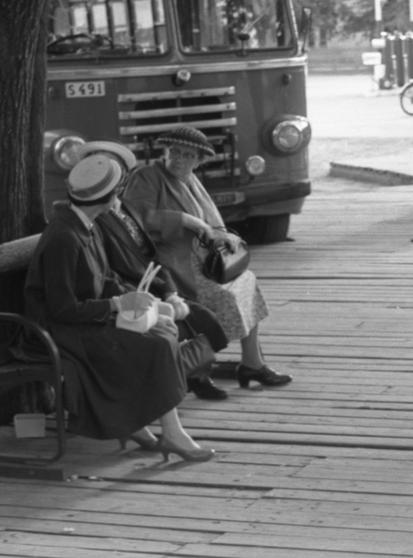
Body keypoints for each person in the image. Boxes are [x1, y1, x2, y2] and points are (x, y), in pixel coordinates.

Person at [23, 155, 214, 462]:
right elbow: (62, 309)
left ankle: (139, 426)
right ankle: (172, 434)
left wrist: (149, 304)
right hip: (60, 331)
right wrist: (118, 305)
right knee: (157, 344)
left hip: (82, 321)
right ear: (109, 197)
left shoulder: (85, 224)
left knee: (163, 331)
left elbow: (105, 278)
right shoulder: (64, 237)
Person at [124, 126, 293, 389]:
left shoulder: (189, 179)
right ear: (164, 152)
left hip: (202, 260)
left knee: (246, 282)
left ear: (199, 161)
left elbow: (213, 222)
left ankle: (252, 364)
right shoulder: (147, 176)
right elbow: (135, 219)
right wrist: (184, 220)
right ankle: (195, 368)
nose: (178, 159)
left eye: (187, 156)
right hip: (171, 263)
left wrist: (224, 237)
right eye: (173, 152)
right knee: (226, 296)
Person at [77, 141, 232, 402]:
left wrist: (169, 291)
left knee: (207, 319)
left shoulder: (124, 209)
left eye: (117, 172)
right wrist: (151, 297)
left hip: (153, 281)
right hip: (129, 296)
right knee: (190, 319)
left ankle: (186, 373)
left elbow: (148, 256)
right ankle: (179, 377)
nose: (113, 179)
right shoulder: (94, 217)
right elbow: (105, 273)